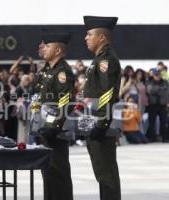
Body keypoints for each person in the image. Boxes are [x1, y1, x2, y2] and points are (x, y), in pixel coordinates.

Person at [82, 16, 121, 200]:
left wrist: (102, 122)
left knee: (106, 173)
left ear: (102, 38)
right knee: (101, 172)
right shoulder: (99, 59)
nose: (86, 38)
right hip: (95, 122)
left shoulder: (107, 60)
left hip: (101, 124)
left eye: (90, 34)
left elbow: (107, 92)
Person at [34, 30, 75, 200]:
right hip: (45, 127)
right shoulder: (48, 70)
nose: (43, 48)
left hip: (56, 132)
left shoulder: (62, 71)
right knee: (48, 174)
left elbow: (65, 102)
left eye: (47, 46)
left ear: (57, 50)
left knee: (59, 174)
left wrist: (54, 127)